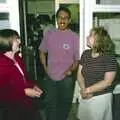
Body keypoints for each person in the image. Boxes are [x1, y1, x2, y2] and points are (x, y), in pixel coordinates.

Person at [39, 7, 79, 120]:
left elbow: (77, 59)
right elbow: (42, 52)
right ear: (56, 19)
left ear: (69, 20)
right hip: (50, 77)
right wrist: (46, 69)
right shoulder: (49, 34)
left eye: (65, 18)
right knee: (50, 104)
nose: (62, 20)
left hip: (66, 78)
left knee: (65, 105)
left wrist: (70, 70)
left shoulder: (74, 37)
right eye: (60, 17)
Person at [0, 29, 43, 120]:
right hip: (13, 109)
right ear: (6, 42)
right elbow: (3, 93)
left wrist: (33, 86)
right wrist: (24, 92)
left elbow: (25, 78)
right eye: (16, 39)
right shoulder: (1, 64)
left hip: (27, 105)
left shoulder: (17, 58)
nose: (19, 41)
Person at [77, 27, 117, 120]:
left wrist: (88, 91)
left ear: (99, 39)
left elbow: (107, 82)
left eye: (91, 35)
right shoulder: (85, 54)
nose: (87, 37)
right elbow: (79, 75)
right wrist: (83, 90)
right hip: (85, 95)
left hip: (100, 98)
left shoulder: (109, 57)